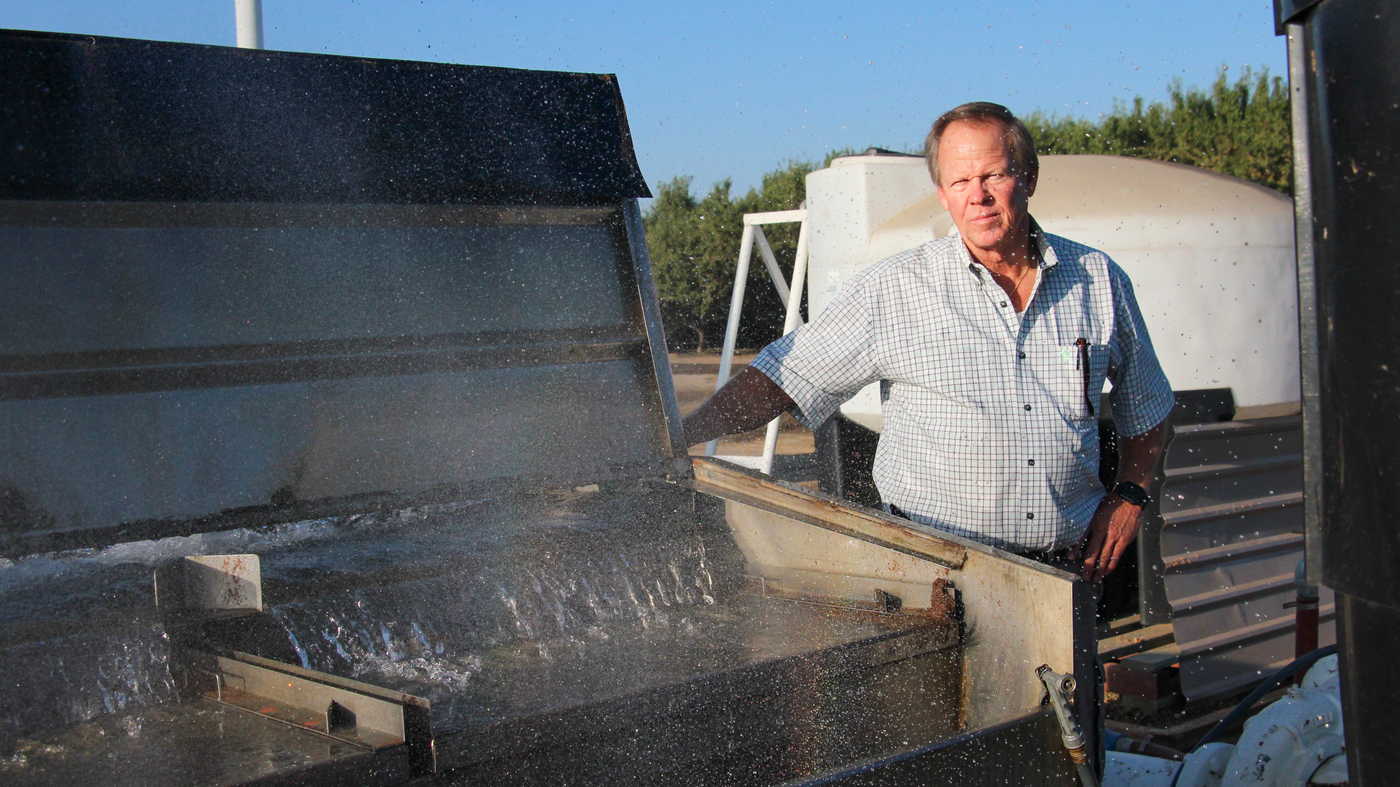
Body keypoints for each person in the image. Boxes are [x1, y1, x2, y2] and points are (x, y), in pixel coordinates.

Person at [683, 102, 1173, 583]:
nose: (977, 195)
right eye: (961, 181)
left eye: (994, 176)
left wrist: (1131, 494)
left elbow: (1147, 403)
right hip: (936, 573)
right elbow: (785, 378)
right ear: (942, 193)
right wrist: (683, 433)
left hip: (1068, 569)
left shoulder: (1097, 280)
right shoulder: (896, 288)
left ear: (1030, 177)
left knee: (1062, 671)